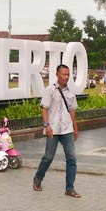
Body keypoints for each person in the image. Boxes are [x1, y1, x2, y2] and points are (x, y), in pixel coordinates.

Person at [33, 64, 80, 198]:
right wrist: (46, 125)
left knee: (71, 158)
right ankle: (38, 178)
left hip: (67, 129)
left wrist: (75, 128)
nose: (66, 77)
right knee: (48, 157)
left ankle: (70, 188)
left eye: (68, 74)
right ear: (57, 74)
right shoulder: (50, 90)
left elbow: (72, 111)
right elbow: (45, 109)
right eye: (64, 74)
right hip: (53, 129)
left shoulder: (71, 92)